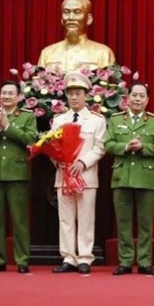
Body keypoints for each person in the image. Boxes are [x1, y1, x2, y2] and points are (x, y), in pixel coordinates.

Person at [105, 83, 154, 276]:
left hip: (145, 177)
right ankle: (125, 262)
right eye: (134, 95)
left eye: (142, 96)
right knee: (123, 222)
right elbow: (107, 144)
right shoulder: (115, 120)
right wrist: (125, 147)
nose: (137, 99)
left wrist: (142, 148)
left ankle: (144, 262)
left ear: (147, 100)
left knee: (145, 223)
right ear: (127, 98)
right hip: (121, 176)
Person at [0, 81, 38, 274]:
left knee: (19, 220)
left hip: (17, 173)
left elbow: (31, 140)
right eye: (3, 93)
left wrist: (7, 126)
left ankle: (22, 260)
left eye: (10, 93)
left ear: (19, 97)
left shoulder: (28, 116)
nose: (6, 96)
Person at [50, 72, 107, 274]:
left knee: (85, 217)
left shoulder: (96, 120)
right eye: (71, 93)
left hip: (86, 176)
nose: (74, 97)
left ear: (86, 96)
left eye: (78, 93)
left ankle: (85, 257)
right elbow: (51, 145)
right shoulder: (58, 120)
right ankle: (68, 257)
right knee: (65, 218)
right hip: (64, 175)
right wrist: (58, 161)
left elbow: (100, 147)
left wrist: (83, 162)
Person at [37, 0, 116, 72]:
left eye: (77, 12)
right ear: (62, 19)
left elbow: (108, 83)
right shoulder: (47, 53)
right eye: (66, 12)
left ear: (89, 19)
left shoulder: (103, 53)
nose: (71, 17)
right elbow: (38, 81)